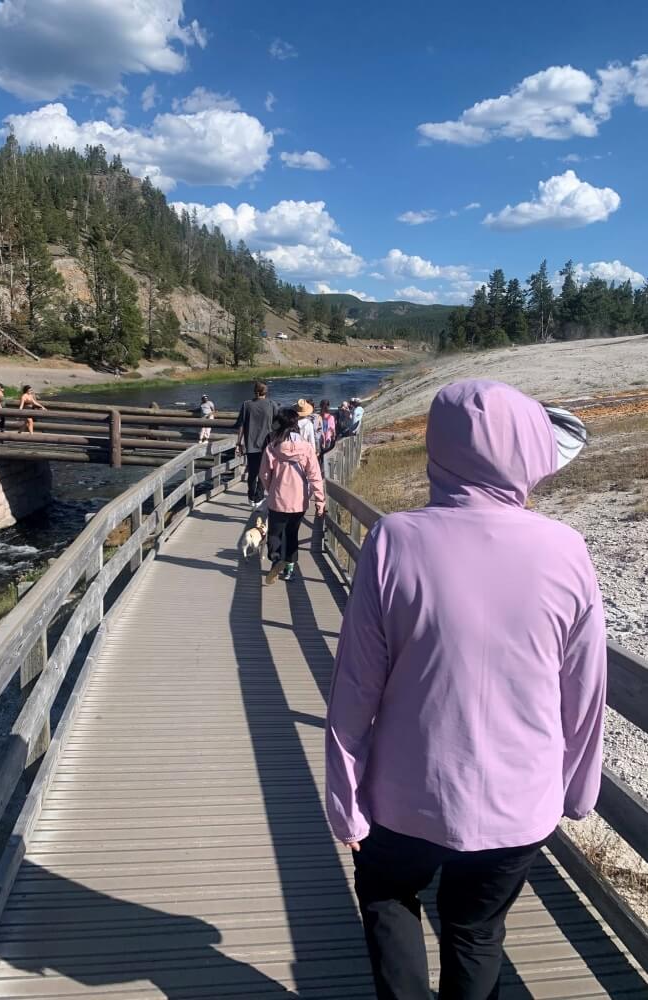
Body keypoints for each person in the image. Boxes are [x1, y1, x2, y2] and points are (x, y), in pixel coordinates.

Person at [326, 380, 604, 1000]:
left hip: (406, 795)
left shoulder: (395, 540)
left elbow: (355, 687)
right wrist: (577, 790)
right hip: (519, 802)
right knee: (477, 929)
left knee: (389, 894)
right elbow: (584, 694)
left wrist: (345, 795)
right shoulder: (567, 551)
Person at [259, 408, 325, 584]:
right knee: (292, 533)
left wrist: (271, 488)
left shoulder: (272, 448)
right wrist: (320, 500)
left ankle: (275, 560)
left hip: (278, 499)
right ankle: (289, 569)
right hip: (300, 500)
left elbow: (264, 475)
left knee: (274, 534)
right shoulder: (306, 448)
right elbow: (315, 475)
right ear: (295, 424)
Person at [235, 381, 278, 507]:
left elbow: (241, 425)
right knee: (264, 472)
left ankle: (251, 496)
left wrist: (239, 442)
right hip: (267, 444)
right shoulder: (271, 404)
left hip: (251, 443)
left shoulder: (246, 404)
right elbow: (278, 422)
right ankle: (259, 498)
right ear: (266, 392)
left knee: (252, 472)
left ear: (255, 391)